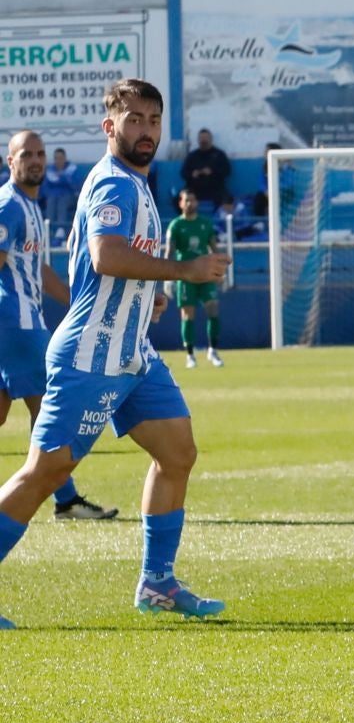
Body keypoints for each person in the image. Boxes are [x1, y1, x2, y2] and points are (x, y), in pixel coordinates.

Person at [0, 81, 229, 629]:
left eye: (153, 120)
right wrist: (181, 271)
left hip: (133, 354)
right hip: (90, 353)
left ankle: (158, 583)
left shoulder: (138, 183)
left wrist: (149, 296)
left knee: (177, 453)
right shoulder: (113, 184)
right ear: (110, 127)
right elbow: (105, 256)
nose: (145, 130)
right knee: (46, 470)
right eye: (134, 120)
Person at [0, 131, 118, 525]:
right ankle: (65, 500)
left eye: (40, 154)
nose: (35, 160)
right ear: (10, 160)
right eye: (26, 154)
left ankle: (63, 499)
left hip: (21, 323)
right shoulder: (9, 207)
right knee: (51, 408)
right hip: (16, 324)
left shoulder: (30, 206)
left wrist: (77, 300)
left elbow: (37, 269)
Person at [166, 191, 225, 369]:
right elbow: (169, 251)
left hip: (206, 274)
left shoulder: (205, 224)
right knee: (187, 314)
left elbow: (214, 249)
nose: (190, 203)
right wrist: (168, 278)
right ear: (180, 204)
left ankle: (212, 350)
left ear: (197, 201)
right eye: (186, 200)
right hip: (185, 275)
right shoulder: (176, 225)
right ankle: (190, 355)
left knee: (213, 308)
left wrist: (220, 271)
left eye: (192, 199)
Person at [182, 129, 232, 209]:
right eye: (201, 138)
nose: (203, 140)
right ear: (198, 140)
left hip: (215, 188)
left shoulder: (219, 155)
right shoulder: (192, 156)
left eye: (206, 138)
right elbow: (183, 173)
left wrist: (212, 172)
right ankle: (187, 219)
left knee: (227, 199)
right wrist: (192, 174)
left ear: (211, 139)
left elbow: (227, 171)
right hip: (195, 189)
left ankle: (219, 220)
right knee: (181, 198)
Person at [41, 147, 81, 243]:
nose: (58, 160)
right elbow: (44, 188)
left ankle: (61, 230)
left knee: (62, 200)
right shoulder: (50, 171)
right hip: (54, 198)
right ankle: (49, 230)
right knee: (51, 200)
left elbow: (77, 186)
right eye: (56, 158)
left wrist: (64, 178)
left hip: (70, 198)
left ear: (65, 158)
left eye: (61, 158)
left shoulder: (72, 169)